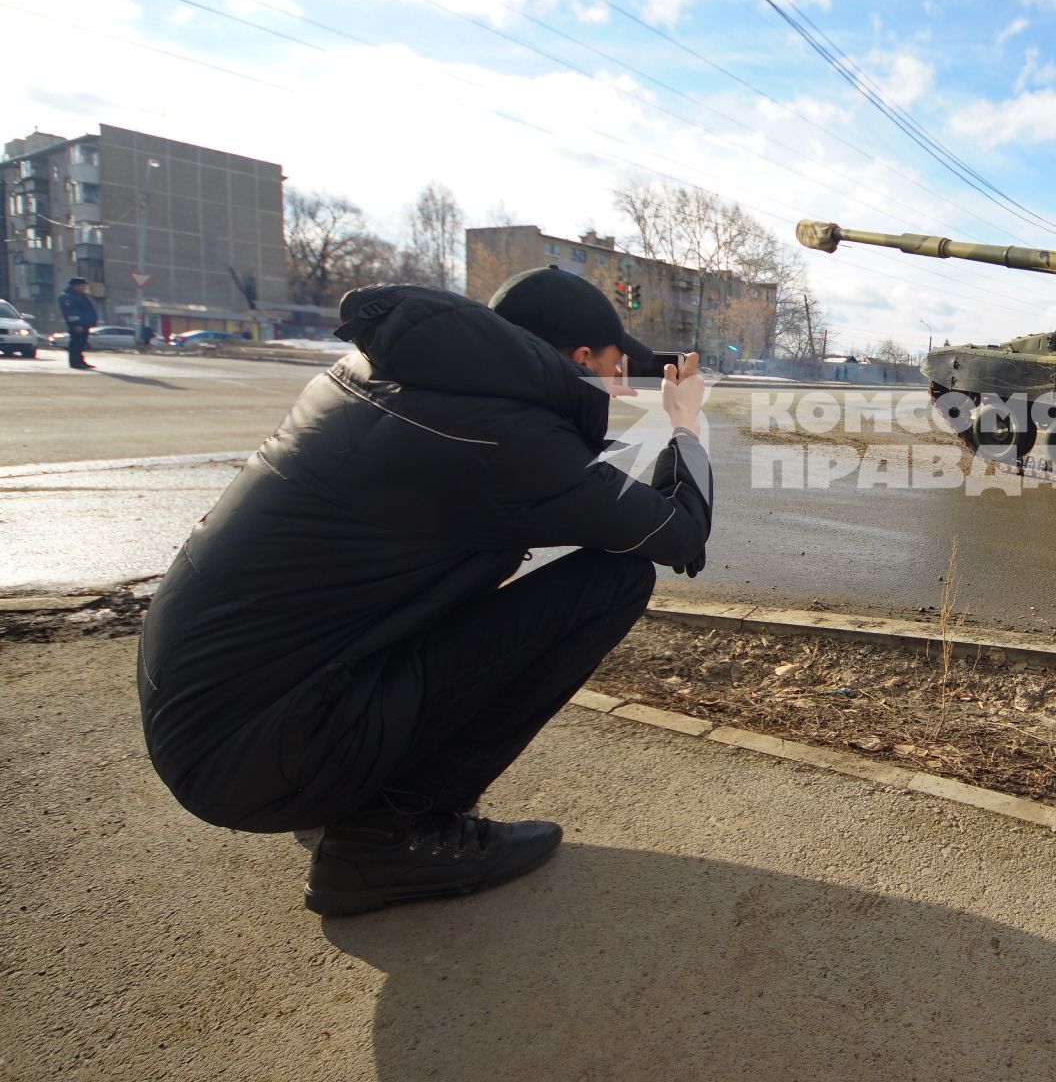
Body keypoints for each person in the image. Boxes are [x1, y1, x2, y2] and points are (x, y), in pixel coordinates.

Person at [138, 266, 714, 916]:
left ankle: (355, 796)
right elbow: (679, 533)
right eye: (614, 369)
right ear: (580, 358)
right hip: (256, 751)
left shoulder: (380, 376)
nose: (619, 385)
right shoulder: (501, 439)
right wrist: (685, 426)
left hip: (213, 711)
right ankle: (384, 838)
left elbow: (547, 481)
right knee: (611, 580)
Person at [57, 276, 97, 370]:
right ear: (75, 286)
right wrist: (76, 324)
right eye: (82, 286)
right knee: (76, 343)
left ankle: (80, 360)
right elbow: (71, 312)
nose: (84, 288)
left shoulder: (81, 296)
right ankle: (75, 362)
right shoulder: (67, 297)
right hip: (77, 325)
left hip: (84, 324)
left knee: (81, 343)